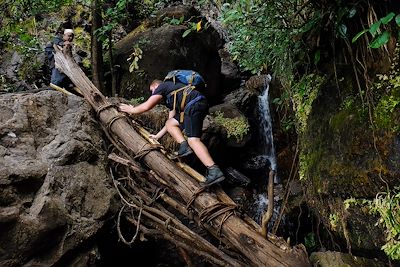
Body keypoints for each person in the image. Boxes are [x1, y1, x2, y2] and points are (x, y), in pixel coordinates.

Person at [119, 78, 225, 186]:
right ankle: (184, 147)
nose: (153, 93)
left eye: (152, 90)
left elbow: (147, 106)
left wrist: (132, 110)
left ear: (156, 86)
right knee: (171, 123)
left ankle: (213, 170)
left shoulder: (162, 87)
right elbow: (169, 123)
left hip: (194, 105)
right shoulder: (172, 96)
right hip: (196, 105)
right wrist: (157, 136)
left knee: (193, 140)